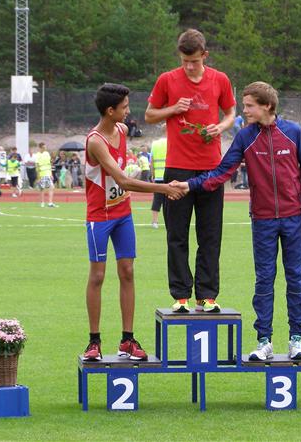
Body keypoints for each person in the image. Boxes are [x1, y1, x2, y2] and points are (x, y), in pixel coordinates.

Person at [172, 82, 301, 360]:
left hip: (294, 218)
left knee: (296, 279)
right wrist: (190, 185)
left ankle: (296, 341)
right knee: (264, 281)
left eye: (249, 106)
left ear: (267, 106)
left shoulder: (293, 133)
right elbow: (221, 172)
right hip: (263, 220)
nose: (244, 111)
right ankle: (264, 342)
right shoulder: (245, 137)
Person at [82, 83, 184, 361]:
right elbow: (123, 181)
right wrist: (164, 188)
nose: (128, 111)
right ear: (110, 110)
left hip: (122, 214)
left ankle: (127, 339)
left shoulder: (123, 130)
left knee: (127, 272)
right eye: (124, 107)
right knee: (98, 276)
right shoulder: (95, 141)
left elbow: (123, 172)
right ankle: (94, 341)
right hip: (100, 217)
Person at [144, 28, 236, 313]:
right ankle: (181, 295)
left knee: (210, 235)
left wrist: (220, 127)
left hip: (210, 170)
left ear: (204, 55)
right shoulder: (167, 80)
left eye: (194, 61)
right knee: (176, 235)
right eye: (184, 61)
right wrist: (172, 109)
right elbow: (149, 115)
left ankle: (207, 296)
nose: (189, 67)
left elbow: (231, 114)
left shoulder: (220, 79)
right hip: (177, 169)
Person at [150, 136, 167, 228]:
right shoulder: (172, 142)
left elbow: (151, 162)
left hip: (158, 177)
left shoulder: (154, 144)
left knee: (157, 200)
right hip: (170, 176)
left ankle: (154, 222)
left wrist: (153, 175)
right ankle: (170, 221)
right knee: (171, 200)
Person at [36, 142, 56, 207]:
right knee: (42, 189)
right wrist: (38, 177)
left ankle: (50, 203)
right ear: (40, 148)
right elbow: (37, 166)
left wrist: (51, 174)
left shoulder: (47, 153)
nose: (45, 148)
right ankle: (42, 203)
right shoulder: (37, 155)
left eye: (45, 147)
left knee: (51, 187)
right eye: (43, 147)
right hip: (42, 174)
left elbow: (49, 164)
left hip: (48, 173)